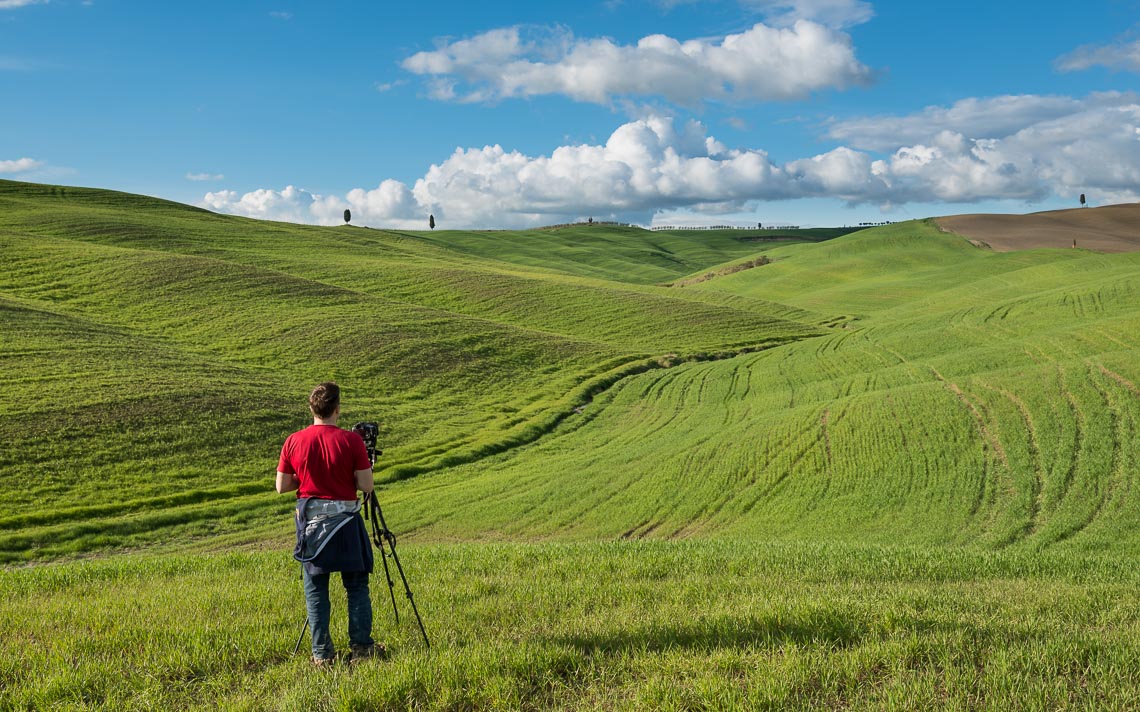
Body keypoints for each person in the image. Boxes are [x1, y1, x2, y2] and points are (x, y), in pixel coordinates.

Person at [276, 382, 381, 665]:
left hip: (311, 527)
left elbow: (282, 485)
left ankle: (322, 654)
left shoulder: (294, 441)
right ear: (337, 409)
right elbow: (366, 485)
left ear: (312, 408)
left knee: (316, 589)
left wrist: (309, 478)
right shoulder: (352, 441)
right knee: (357, 586)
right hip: (345, 523)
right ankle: (361, 648)